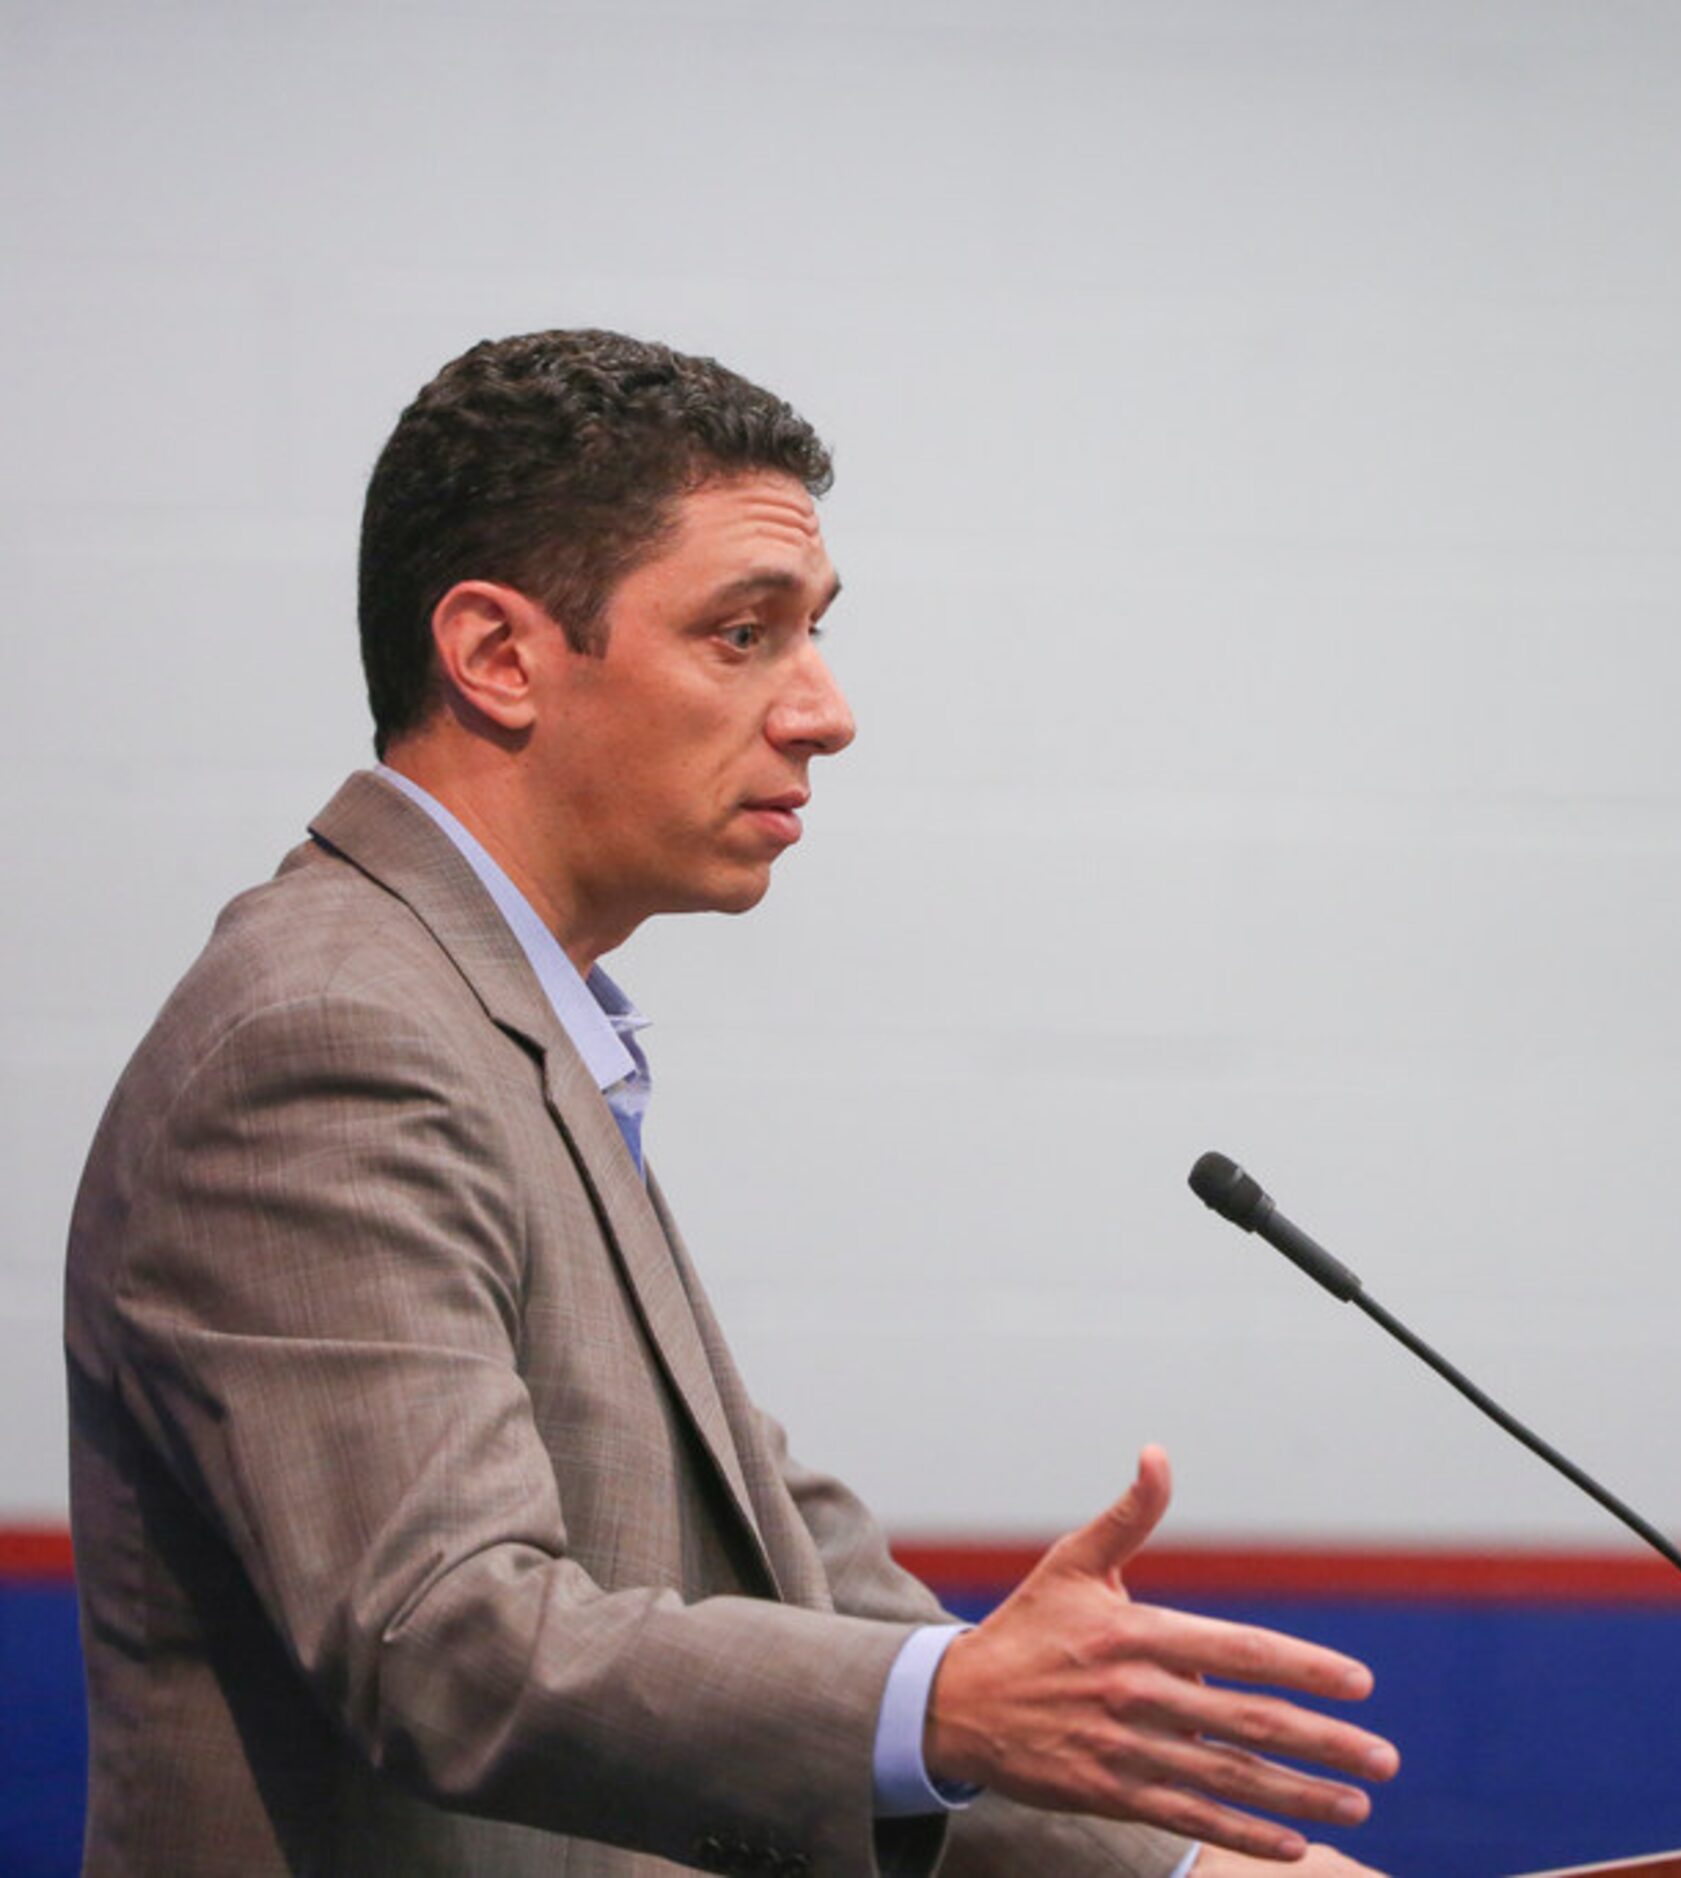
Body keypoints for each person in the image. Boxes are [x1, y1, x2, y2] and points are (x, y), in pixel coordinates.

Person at [63, 329, 1397, 1877]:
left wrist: (1185, 1868)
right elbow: (445, 1635)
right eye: (744, 634)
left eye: (813, 632)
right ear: (498, 655)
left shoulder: (498, 1023)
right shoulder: (325, 1033)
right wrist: (956, 1703)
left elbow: (774, 1569)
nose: (824, 709)